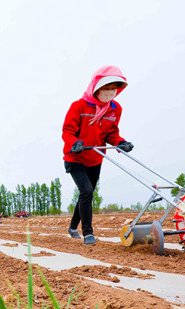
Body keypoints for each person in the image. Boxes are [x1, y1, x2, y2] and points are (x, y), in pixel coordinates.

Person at [62, 65, 134, 246]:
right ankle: (88, 233)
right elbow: (67, 131)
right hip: (76, 157)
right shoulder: (79, 106)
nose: (110, 93)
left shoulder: (115, 109)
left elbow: (111, 134)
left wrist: (121, 143)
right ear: (96, 87)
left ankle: (72, 227)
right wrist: (75, 143)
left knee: (87, 193)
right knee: (86, 191)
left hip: (95, 157)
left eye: (113, 89)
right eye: (106, 88)